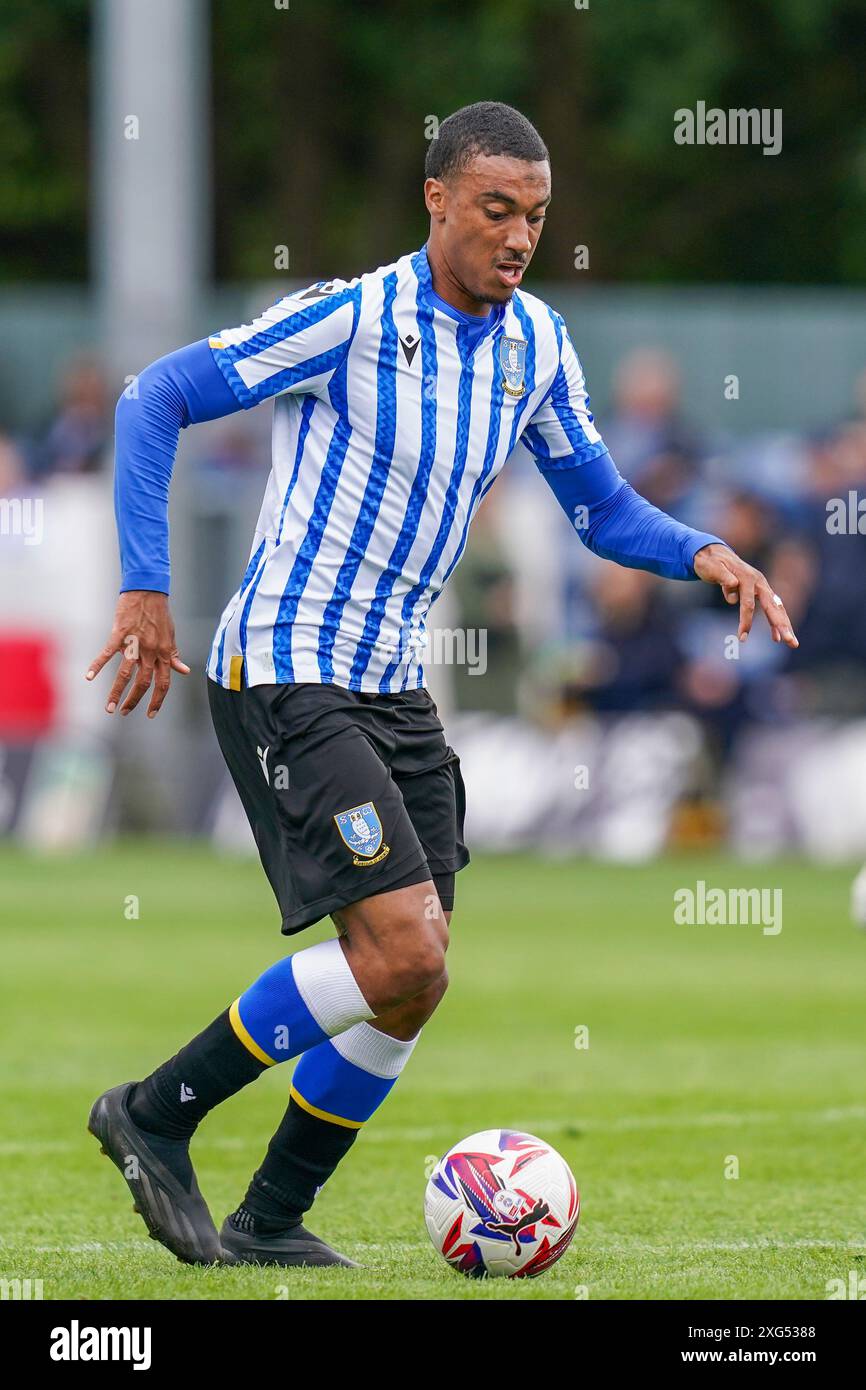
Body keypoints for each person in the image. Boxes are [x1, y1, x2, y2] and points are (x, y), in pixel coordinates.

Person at [85, 101, 798, 1268]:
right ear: (437, 200)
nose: (518, 236)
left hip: (391, 685)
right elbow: (152, 395)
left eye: (534, 215)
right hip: (287, 663)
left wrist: (699, 549)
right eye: (494, 210)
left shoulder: (536, 346)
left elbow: (598, 503)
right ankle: (154, 1113)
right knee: (401, 953)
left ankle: (268, 1216)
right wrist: (145, 585)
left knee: (414, 984)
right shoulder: (351, 318)